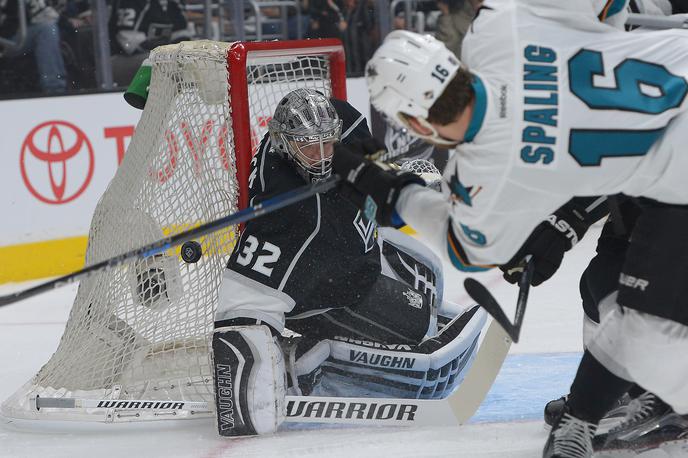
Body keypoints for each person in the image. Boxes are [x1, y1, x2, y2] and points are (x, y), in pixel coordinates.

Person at [331, 2, 688, 456]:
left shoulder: (486, 179)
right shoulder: (500, 25)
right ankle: (607, 408)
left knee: (645, 334)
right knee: (610, 280)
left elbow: (465, 249)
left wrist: (391, 191)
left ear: (417, 122)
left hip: (676, 178)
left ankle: (621, 407)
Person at [211, 88, 486, 436]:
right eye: (310, 148)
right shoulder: (290, 215)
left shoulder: (345, 119)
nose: (324, 156)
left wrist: (390, 178)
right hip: (323, 289)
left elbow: (372, 172)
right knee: (416, 327)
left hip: (353, 257)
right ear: (285, 145)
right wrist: (246, 373)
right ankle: (300, 368)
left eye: (329, 143)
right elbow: (241, 304)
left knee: (426, 295)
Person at [108, 0, 194, 87]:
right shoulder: (130, 2)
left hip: (160, 57)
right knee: (163, 65)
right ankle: (140, 99)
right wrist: (166, 56)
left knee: (193, 62)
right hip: (118, 60)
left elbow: (182, 35)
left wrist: (182, 55)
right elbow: (129, 44)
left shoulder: (174, 3)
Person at [0, 0, 67, 94]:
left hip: (21, 35)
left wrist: (69, 21)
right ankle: (54, 90)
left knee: (49, 29)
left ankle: (56, 92)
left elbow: (44, 12)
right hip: (6, 39)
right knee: (46, 30)